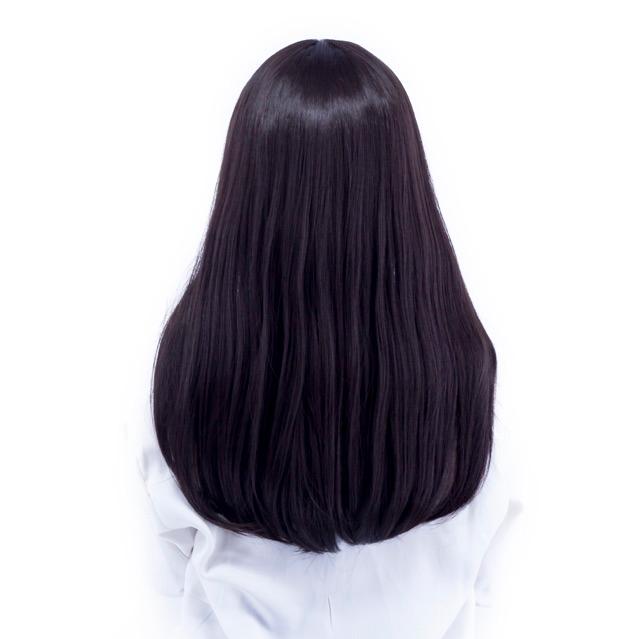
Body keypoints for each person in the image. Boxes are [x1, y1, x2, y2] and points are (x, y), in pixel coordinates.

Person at [132, 38, 519, 638]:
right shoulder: (469, 382)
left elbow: (163, 578)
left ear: (245, 190)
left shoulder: (187, 378)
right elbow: (492, 581)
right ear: (403, 190)